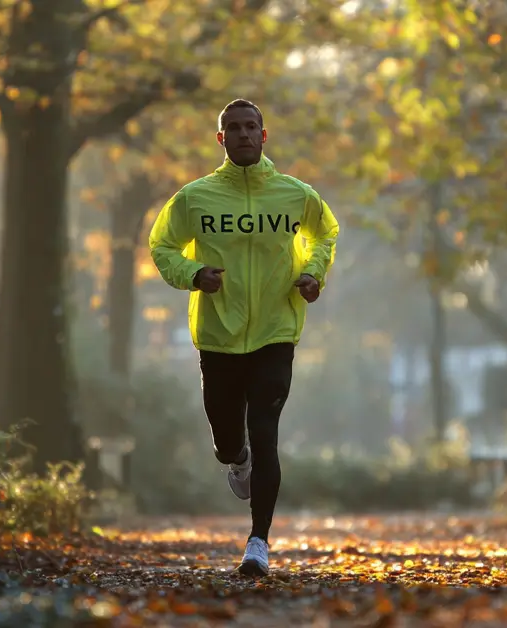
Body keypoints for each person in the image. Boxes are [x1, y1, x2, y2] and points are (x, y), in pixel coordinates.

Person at [147, 98, 339, 577]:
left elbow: (325, 234)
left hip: (277, 331)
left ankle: (259, 542)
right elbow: (162, 244)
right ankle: (236, 460)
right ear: (221, 139)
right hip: (218, 335)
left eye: (251, 126)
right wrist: (193, 274)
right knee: (228, 439)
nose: (243, 134)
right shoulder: (195, 198)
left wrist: (314, 274)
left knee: (266, 433)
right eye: (233, 128)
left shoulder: (296, 195)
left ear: (264, 134)